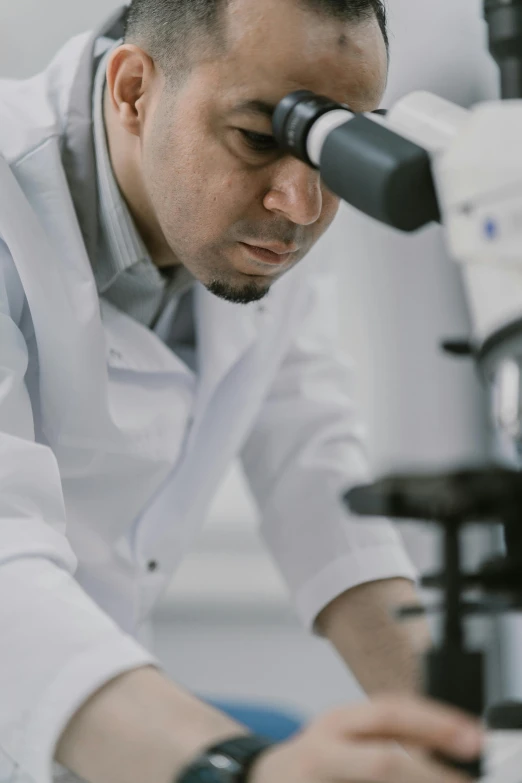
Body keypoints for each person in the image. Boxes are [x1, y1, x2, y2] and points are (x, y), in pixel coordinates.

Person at [0, 1, 482, 782]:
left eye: (334, 150)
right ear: (132, 90)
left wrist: (464, 743)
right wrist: (240, 769)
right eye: (260, 136)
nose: (303, 206)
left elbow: (317, 472)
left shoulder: (267, 212)